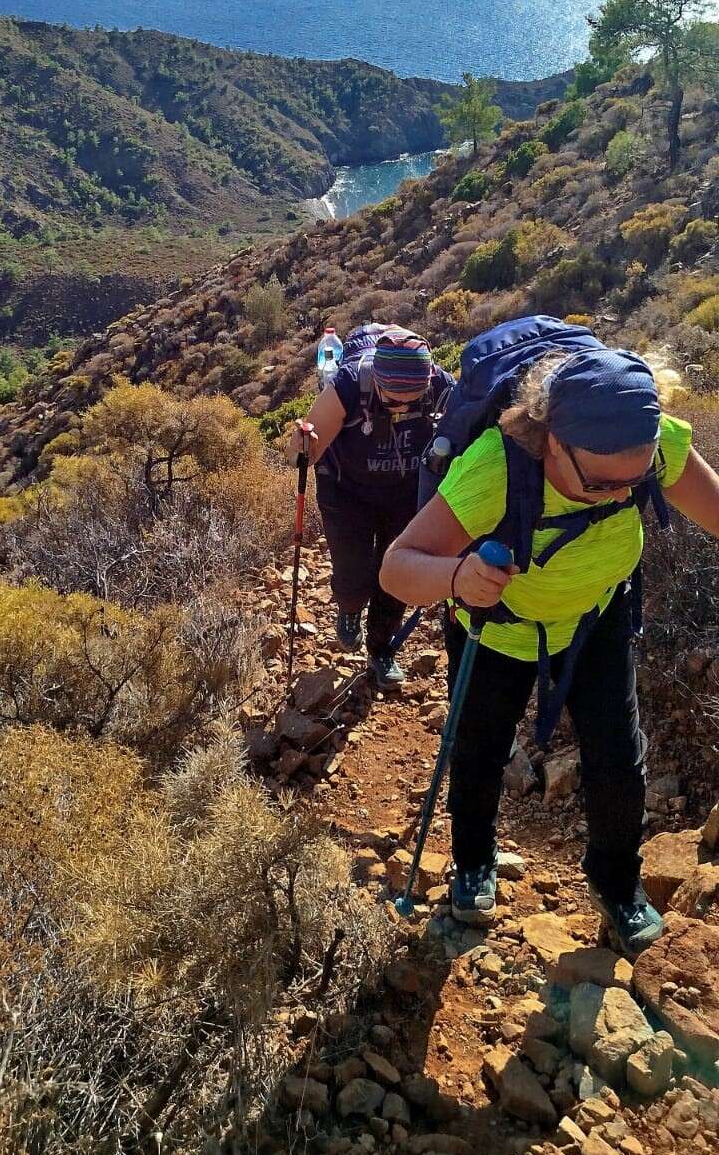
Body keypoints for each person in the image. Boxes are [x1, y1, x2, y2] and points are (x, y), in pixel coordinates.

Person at [380, 344, 719, 957]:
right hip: (498, 626)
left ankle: (617, 884)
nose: (621, 497)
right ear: (551, 440)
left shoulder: (653, 442)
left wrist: (631, 479)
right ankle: (473, 863)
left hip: (596, 616)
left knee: (618, 754)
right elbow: (397, 568)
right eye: (600, 483)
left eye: (636, 481)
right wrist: (456, 578)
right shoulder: (496, 470)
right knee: (481, 749)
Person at [288, 326, 453, 691]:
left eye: (412, 401)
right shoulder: (349, 384)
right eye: (393, 400)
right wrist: (302, 443)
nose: (403, 408)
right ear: (376, 380)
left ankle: (381, 650)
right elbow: (302, 455)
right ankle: (349, 608)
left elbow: (466, 432)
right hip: (346, 489)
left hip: (407, 489)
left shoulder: (440, 386)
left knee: (394, 572)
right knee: (353, 570)